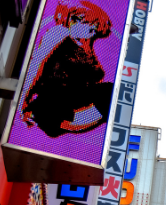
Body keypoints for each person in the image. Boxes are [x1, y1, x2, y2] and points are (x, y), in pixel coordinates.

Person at [21, 0, 114, 137]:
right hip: (52, 103)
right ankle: (43, 115)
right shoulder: (58, 33)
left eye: (95, 27)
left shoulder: (86, 47)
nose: (92, 31)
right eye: (89, 24)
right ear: (73, 19)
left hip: (71, 106)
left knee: (111, 91)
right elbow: (36, 64)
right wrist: (22, 101)